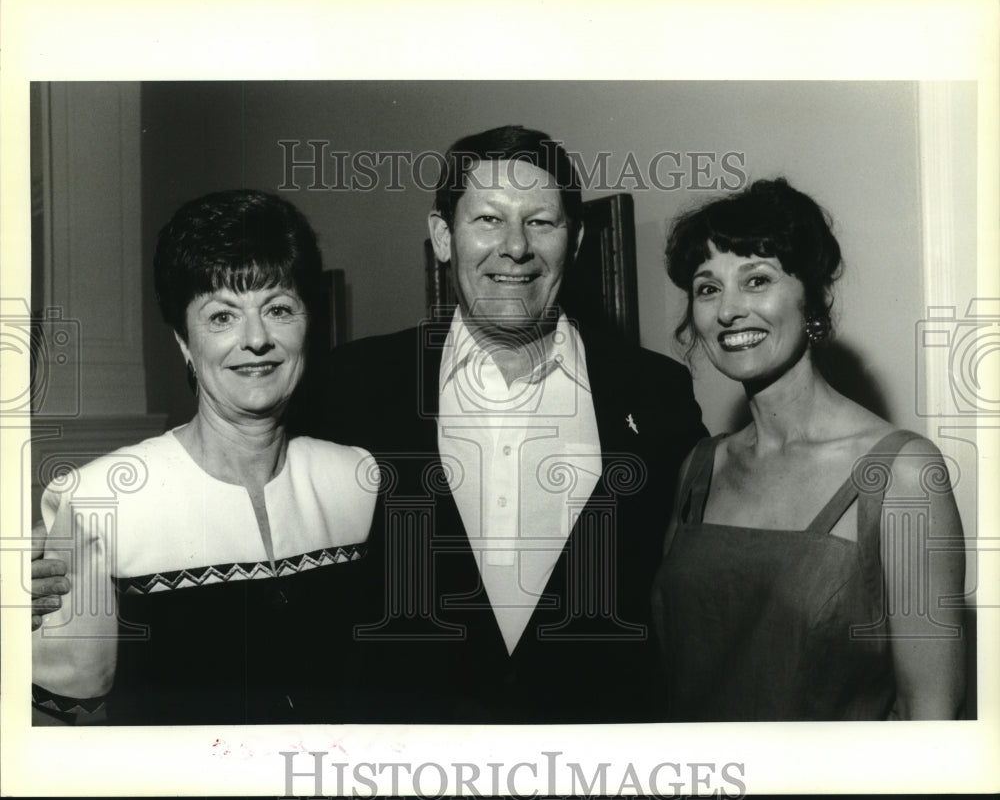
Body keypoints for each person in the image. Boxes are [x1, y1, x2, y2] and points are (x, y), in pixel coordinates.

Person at [307, 126, 707, 722]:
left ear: (574, 242)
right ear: (443, 237)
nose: (515, 247)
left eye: (541, 222)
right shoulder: (352, 385)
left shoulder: (657, 392)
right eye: (488, 219)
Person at [32, 189, 377, 725]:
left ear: (308, 324)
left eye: (279, 309)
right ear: (184, 343)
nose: (256, 338)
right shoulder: (101, 501)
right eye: (222, 316)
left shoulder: (358, 479)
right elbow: (64, 729)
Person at [651, 178, 967, 721]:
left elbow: (930, 716)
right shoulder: (701, 467)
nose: (728, 310)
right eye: (707, 288)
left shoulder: (903, 475)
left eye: (756, 280)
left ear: (811, 297)